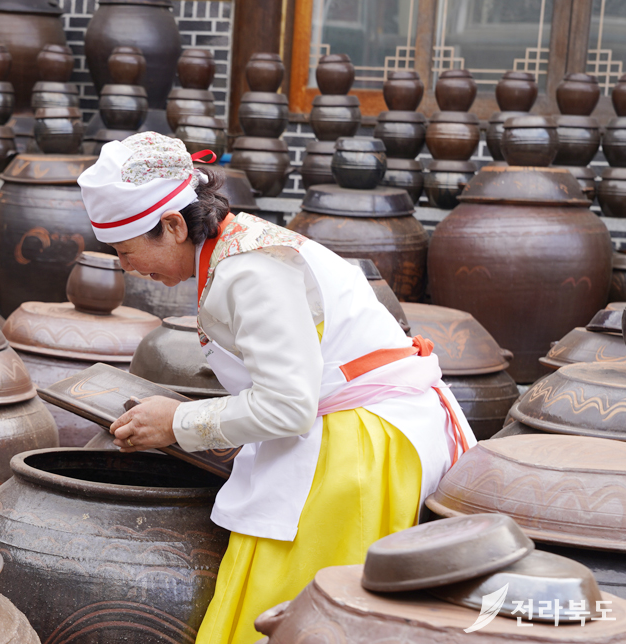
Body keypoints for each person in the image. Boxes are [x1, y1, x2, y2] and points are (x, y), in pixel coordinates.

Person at [77, 132, 476, 644]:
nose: (126, 266)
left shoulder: (251, 271)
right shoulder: (234, 249)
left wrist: (176, 423)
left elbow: (288, 405)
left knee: (305, 616)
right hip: (344, 429)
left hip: (359, 451)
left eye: (125, 250)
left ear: (173, 226)